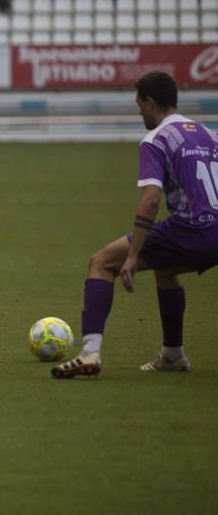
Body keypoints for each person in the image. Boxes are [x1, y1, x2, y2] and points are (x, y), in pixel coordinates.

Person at [52, 72, 218, 378]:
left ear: (150, 102)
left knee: (102, 262)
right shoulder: (210, 135)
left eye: (139, 104)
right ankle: (172, 355)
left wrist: (132, 256)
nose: (138, 110)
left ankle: (89, 354)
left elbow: (151, 199)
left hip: (191, 230)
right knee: (166, 269)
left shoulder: (156, 139)